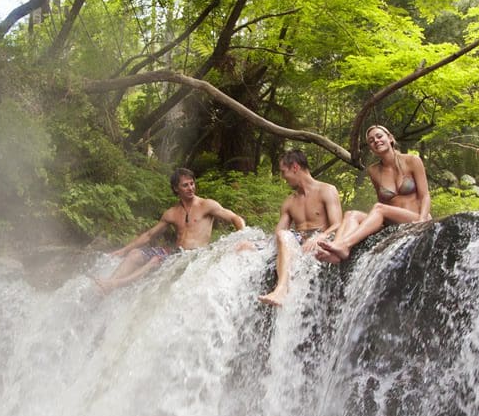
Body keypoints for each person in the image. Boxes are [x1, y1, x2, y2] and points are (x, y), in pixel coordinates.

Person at [96, 168, 246, 291]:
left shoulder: (206, 205)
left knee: (155, 260)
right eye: (185, 185)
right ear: (176, 188)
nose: (190, 188)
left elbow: (235, 218)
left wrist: (243, 236)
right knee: (135, 254)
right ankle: (107, 283)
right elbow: (149, 235)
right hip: (176, 254)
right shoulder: (172, 213)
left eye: (192, 183)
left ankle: (115, 285)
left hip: (197, 255)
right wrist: (123, 250)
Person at [317, 124, 431, 263]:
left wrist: (422, 220)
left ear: (390, 138)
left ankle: (345, 245)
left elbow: (425, 195)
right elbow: (384, 202)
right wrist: (376, 225)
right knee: (350, 214)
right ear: (371, 148)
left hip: (416, 217)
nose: (376, 141)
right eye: (371, 141)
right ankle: (336, 251)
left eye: (379, 136)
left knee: (378, 208)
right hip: (392, 221)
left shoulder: (412, 160)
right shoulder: (374, 171)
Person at [257, 150, 343, 307]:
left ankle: (282, 289)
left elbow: (338, 224)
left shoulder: (326, 190)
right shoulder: (289, 202)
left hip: (321, 239)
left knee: (288, 236)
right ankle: (281, 289)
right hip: (298, 241)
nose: (283, 177)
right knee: (281, 236)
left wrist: (320, 237)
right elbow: (279, 233)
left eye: (284, 172)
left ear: (295, 167)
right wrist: (256, 246)